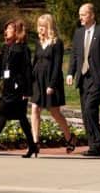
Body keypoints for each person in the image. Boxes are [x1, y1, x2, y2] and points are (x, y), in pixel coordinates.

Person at [0, 19, 36, 158]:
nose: (6, 31)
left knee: (3, 113)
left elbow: (27, 70)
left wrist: (27, 90)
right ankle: (33, 145)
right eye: (6, 29)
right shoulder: (5, 48)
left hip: (18, 88)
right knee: (21, 117)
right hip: (7, 86)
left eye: (10, 29)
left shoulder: (23, 49)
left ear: (17, 31)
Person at [67, 3, 100, 157]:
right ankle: (93, 145)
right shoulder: (78, 33)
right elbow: (74, 55)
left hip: (97, 77)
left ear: (92, 15)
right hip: (83, 77)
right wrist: (70, 73)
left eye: (83, 14)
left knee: (90, 108)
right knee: (85, 111)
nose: (80, 17)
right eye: (80, 14)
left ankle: (97, 143)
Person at [30, 14, 75, 152]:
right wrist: (29, 81)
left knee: (54, 112)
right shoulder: (38, 42)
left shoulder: (57, 43)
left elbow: (57, 65)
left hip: (51, 80)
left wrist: (52, 85)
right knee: (34, 108)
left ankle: (69, 138)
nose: (40, 29)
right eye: (39, 26)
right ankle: (35, 142)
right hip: (38, 79)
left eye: (43, 27)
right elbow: (35, 61)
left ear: (49, 27)